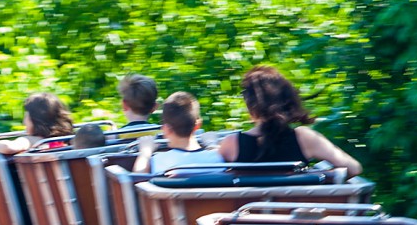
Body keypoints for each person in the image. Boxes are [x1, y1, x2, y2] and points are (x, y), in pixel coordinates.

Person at [216, 66, 362, 176]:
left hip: (247, 215)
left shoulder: (231, 143)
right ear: (287, 100)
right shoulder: (305, 137)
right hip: (294, 214)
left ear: (250, 107)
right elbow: (354, 168)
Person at [135, 92, 224, 173]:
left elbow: (138, 178)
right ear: (198, 125)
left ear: (166, 129)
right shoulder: (217, 159)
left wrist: (145, 152)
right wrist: (212, 144)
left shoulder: (159, 161)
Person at [0, 92, 75, 155]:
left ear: (35, 119)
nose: (23, 122)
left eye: (26, 117)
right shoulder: (68, 140)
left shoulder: (32, 140)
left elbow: (9, 147)